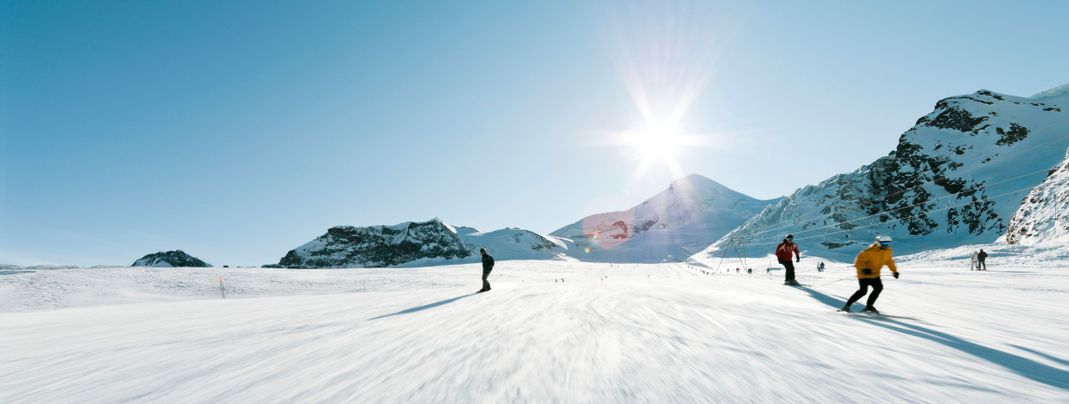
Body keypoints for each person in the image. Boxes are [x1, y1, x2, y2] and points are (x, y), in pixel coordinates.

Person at [841, 235, 899, 313]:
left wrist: (894, 271)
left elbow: (889, 262)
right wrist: (864, 269)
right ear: (878, 243)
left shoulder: (888, 251)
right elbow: (858, 263)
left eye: (887, 243)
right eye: (884, 243)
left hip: (875, 275)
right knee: (863, 291)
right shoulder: (868, 251)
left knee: (878, 288)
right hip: (864, 275)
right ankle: (847, 306)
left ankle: (869, 306)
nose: (886, 245)